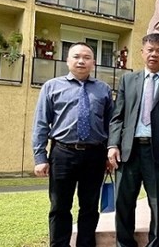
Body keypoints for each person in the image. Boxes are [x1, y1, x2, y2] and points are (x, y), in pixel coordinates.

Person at [108, 33, 159, 247]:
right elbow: (118, 116)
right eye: (150, 50)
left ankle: (154, 244)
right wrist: (113, 144)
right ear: (142, 52)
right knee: (123, 202)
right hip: (128, 151)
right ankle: (124, 244)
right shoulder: (128, 80)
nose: (154, 54)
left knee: (158, 203)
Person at [31, 42, 114, 247]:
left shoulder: (103, 89)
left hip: (95, 155)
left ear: (93, 63)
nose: (81, 61)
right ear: (68, 61)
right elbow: (41, 123)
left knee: (89, 206)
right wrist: (40, 157)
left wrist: (110, 153)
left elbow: (111, 124)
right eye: (76, 56)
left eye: (86, 57)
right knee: (60, 206)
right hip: (62, 153)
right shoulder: (52, 86)